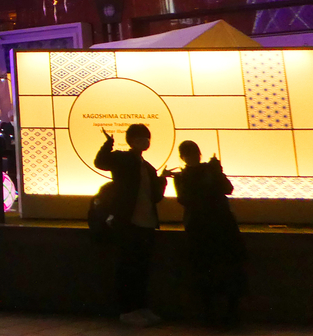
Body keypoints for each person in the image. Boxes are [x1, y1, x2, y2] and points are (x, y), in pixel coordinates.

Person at [94, 124, 167, 327]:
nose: (145, 141)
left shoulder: (149, 167)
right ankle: (127, 310)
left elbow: (155, 197)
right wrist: (108, 144)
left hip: (146, 223)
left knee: (141, 268)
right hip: (128, 223)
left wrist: (162, 180)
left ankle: (140, 307)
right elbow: (100, 162)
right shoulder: (122, 159)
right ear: (131, 141)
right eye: (140, 138)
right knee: (128, 268)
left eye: (146, 138)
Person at [170, 141, 245, 328]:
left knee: (206, 271)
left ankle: (212, 313)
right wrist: (215, 173)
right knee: (226, 270)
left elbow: (185, 199)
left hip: (200, 227)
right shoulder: (204, 172)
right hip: (220, 225)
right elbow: (226, 189)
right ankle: (228, 312)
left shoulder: (183, 176)